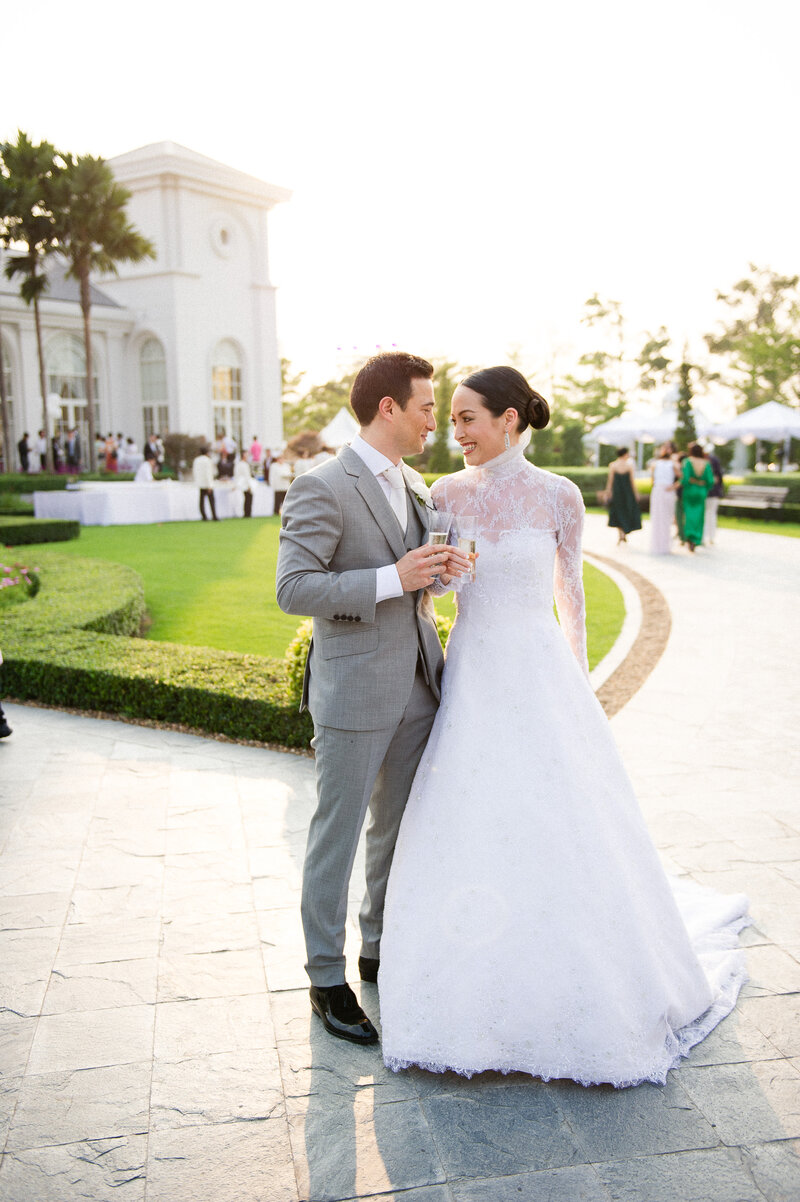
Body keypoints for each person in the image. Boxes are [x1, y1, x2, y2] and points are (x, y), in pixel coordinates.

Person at [378, 365, 748, 1088]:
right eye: (449, 419)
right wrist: (448, 574)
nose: (455, 433)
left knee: (560, 814)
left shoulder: (559, 495)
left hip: (539, 669)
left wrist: (578, 686)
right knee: (470, 812)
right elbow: (442, 588)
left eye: (468, 419)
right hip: (474, 671)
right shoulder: (447, 493)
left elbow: (569, 589)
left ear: (510, 420)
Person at [276, 351, 469, 1046]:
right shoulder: (322, 485)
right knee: (337, 833)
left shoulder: (416, 483)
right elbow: (293, 589)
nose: (433, 421)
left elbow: (412, 579)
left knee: (397, 829)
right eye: (425, 407)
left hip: (421, 682)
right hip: (354, 688)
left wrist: (434, 576)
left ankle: (378, 946)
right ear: (388, 407)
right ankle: (326, 978)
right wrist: (392, 577)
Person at [603, 446, 642, 542]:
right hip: (627, 492)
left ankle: (620, 533)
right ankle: (624, 532)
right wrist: (636, 493)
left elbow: (610, 481)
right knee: (626, 511)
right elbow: (632, 481)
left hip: (617, 492)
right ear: (625, 454)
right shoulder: (629, 466)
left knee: (618, 511)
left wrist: (608, 492)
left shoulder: (613, 465)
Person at [682, 442, 714, 552]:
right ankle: (696, 538)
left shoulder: (687, 462)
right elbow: (710, 480)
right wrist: (703, 485)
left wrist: (691, 482)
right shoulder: (706, 463)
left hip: (690, 490)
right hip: (701, 491)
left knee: (689, 515)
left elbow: (685, 479)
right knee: (699, 516)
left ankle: (690, 537)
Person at [649, 442, 679, 554]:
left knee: (667, 518)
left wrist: (673, 486)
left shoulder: (673, 463)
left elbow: (682, 478)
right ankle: (657, 545)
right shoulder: (655, 463)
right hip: (658, 491)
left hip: (667, 492)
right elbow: (652, 479)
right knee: (656, 518)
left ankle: (665, 545)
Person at [192, 444, 218, 521]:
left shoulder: (196, 460)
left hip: (200, 483)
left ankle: (204, 516)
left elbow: (195, 471)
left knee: (201, 500)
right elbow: (208, 473)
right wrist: (210, 485)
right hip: (207, 484)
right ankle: (214, 516)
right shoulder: (207, 460)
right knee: (211, 501)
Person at [704, 447, 724, 545]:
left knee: (707, 514)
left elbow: (718, 478)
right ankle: (710, 537)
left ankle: (707, 537)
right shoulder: (714, 460)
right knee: (711, 515)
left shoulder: (703, 461)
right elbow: (719, 477)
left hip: (707, 492)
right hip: (712, 492)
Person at [233, 450, 254, 517]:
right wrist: (249, 485)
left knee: (247, 498)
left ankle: (247, 513)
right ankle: (247, 513)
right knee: (248, 498)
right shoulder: (244, 465)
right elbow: (246, 476)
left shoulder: (239, 464)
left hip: (242, 484)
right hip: (245, 484)